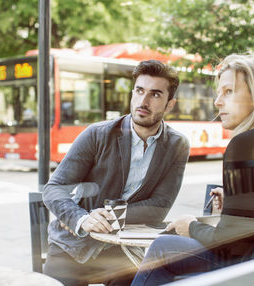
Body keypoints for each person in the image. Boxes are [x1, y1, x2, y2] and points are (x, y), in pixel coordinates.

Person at [131, 54, 254, 286]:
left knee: (163, 247)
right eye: (219, 92)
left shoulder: (245, 143)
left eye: (229, 92)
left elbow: (232, 245)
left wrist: (190, 226)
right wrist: (237, 201)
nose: (217, 102)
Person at [43, 60, 190, 286]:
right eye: (139, 91)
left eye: (155, 95)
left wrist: (109, 217)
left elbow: (160, 206)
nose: (144, 101)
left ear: (170, 104)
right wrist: (82, 218)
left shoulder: (177, 145)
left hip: (121, 251)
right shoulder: (97, 134)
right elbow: (54, 189)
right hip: (73, 246)